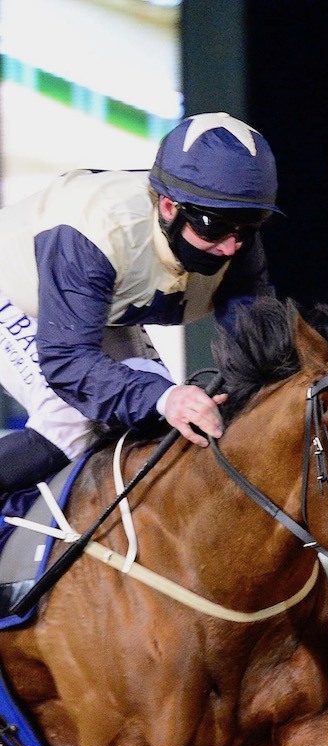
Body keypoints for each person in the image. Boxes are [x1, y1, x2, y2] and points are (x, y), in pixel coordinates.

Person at [0, 112, 278, 493]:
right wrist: (166, 398)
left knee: (162, 417)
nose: (231, 246)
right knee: (74, 422)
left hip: (95, 302)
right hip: (18, 290)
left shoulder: (233, 236)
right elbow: (67, 361)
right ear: (167, 207)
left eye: (247, 227)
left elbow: (261, 351)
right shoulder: (97, 228)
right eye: (214, 226)